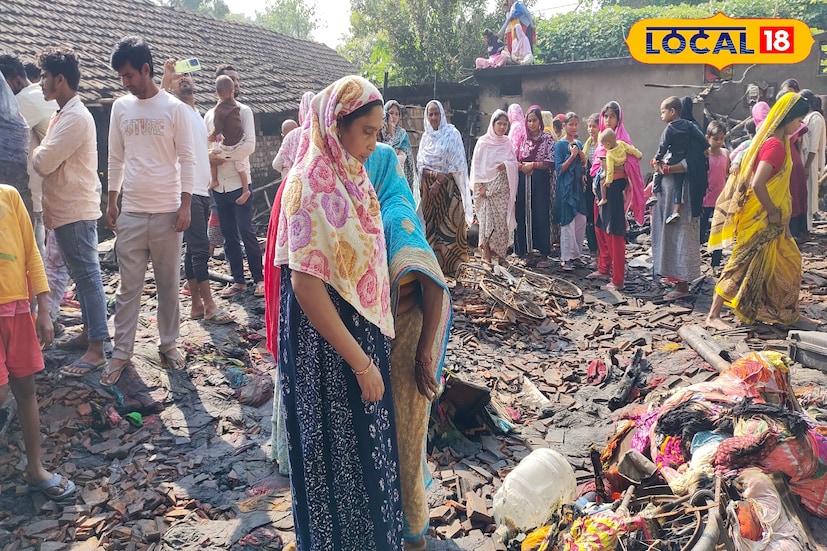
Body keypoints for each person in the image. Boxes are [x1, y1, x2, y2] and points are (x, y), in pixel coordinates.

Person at [272, 75, 403, 550]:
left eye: (377, 132)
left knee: (367, 453)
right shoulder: (308, 183)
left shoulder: (354, 176)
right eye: (367, 131)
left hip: (356, 339)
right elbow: (306, 286)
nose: (374, 142)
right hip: (326, 347)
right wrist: (362, 362)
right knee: (337, 459)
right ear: (337, 125)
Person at [365, 142, 452, 551]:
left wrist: (423, 355)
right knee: (394, 438)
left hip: (408, 341)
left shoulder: (396, 214)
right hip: (391, 337)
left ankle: (413, 534)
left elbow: (431, 281)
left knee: (405, 440)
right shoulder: (377, 211)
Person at [103, 36, 195, 386]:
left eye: (129, 75)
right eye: (121, 77)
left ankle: (168, 345)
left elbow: (187, 158)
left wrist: (185, 204)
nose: (125, 82)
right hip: (131, 212)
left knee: (169, 284)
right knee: (128, 289)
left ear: (146, 69)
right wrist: (112, 200)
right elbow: (115, 156)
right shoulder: (120, 108)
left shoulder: (174, 108)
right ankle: (121, 354)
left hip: (169, 213)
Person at [30, 47, 110, 377]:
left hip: (74, 209)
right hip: (66, 208)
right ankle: (89, 334)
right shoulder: (62, 115)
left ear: (60, 79)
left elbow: (44, 162)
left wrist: (35, 152)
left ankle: (97, 349)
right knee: (82, 274)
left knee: (88, 276)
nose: (42, 83)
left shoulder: (75, 117)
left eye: (46, 77)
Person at [705, 93, 810, 329]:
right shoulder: (774, 145)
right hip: (762, 218)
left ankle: (786, 314)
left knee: (787, 262)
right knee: (740, 263)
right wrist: (773, 211)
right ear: (787, 118)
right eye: (798, 120)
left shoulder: (777, 141)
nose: (799, 125)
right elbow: (758, 183)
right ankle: (713, 315)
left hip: (772, 221)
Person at [161, 59, 234, 326]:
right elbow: (158, 102)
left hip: (202, 188)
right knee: (201, 248)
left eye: (188, 77)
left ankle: (195, 305)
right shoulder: (174, 109)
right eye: (179, 78)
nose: (184, 79)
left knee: (194, 250)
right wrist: (166, 79)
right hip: (186, 190)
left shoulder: (196, 114)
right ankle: (210, 304)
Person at [205, 64, 264, 298]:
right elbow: (205, 144)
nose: (235, 83)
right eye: (230, 80)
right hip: (219, 186)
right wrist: (210, 156)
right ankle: (238, 280)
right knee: (228, 234)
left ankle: (259, 279)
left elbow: (249, 146)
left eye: (237, 80)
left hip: (240, 184)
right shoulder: (209, 115)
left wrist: (221, 155)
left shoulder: (244, 111)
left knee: (246, 231)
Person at [0, 53, 58, 255]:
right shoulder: (37, 94)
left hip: (35, 195)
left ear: (14, 80)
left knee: (31, 251)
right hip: (45, 193)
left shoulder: (22, 102)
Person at [417, 100, 471, 277]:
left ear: (442, 114)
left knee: (451, 228)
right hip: (429, 190)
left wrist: (440, 181)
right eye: (430, 114)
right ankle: (433, 270)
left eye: (436, 113)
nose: (433, 117)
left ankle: (454, 269)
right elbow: (420, 165)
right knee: (431, 228)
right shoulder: (426, 137)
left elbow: (458, 163)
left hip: (449, 190)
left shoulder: (452, 134)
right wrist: (434, 176)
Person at [650, 96, 709, 225]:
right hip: (674, 186)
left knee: (658, 174)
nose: (662, 116)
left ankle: (654, 194)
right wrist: (707, 146)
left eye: (663, 112)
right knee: (677, 186)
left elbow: (663, 147)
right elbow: (702, 138)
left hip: (688, 188)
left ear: (673, 111)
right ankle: (674, 210)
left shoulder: (670, 129)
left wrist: (660, 162)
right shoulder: (690, 126)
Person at [470, 109, 519, 262]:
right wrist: (481, 187)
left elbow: (513, 163)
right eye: (500, 123)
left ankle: (499, 256)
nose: (502, 127)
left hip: (502, 190)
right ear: (493, 124)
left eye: (505, 124)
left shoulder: (507, 143)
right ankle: (486, 257)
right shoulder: (483, 143)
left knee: (501, 225)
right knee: (485, 224)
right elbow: (477, 166)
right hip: (485, 190)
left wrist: (506, 165)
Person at [591, 101, 646, 226]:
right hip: (601, 187)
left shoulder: (623, 140)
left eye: (612, 116)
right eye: (605, 116)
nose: (608, 120)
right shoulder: (601, 140)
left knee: (614, 226)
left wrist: (613, 167)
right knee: (601, 225)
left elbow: (633, 163)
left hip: (617, 188)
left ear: (618, 119)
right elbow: (595, 166)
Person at [515, 105, 555, 261]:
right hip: (523, 181)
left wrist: (531, 165)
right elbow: (515, 157)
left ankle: (543, 252)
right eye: (529, 120)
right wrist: (521, 166)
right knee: (523, 214)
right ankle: (525, 251)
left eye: (534, 120)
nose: (531, 124)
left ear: (540, 121)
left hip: (540, 182)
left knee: (540, 213)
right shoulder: (522, 138)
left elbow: (550, 161)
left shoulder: (547, 138)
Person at [208, 75, 250, 206]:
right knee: (241, 168)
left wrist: (212, 136)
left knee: (213, 156)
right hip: (239, 142)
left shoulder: (218, 111)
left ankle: (214, 179)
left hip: (227, 147)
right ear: (232, 92)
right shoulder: (236, 107)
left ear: (216, 94)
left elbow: (218, 129)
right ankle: (246, 190)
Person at [554, 112, 588, 271]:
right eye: (570, 124)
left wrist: (583, 160)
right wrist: (572, 156)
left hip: (577, 187)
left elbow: (582, 167)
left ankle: (576, 255)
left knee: (581, 220)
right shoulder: (560, 145)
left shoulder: (579, 143)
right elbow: (559, 169)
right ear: (564, 126)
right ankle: (566, 258)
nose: (573, 127)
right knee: (568, 221)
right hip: (566, 188)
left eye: (576, 124)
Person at [700, 120, 729, 271]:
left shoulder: (725, 154)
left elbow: (727, 174)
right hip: (706, 200)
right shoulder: (704, 156)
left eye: (722, 138)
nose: (719, 142)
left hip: (721, 200)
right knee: (700, 231)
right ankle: (694, 262)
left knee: (718, 232)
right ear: (707, 138)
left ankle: (715, 264)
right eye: (715, 138)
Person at [382, 100, 419, 200]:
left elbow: (403, 156)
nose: (393, 116)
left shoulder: (402, 134)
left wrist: (392, 155)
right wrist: (394, 151)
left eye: (397, 114)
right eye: (391, 113)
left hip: (398, 176)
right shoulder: (379, 132)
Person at [596, 128, 641, 207]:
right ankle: (623, 193)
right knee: (623, 185)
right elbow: (631, 149)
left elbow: (610, 169)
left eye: (603, 145)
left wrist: (608, 181)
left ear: (608, 144)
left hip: (615, 174)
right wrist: (639, 154)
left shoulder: (609, 154)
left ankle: (603, 198)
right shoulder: (621, 143)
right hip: (623, 173)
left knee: (602, 181)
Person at [800, 89, 825, 231]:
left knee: (809, 195)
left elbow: (813, 147)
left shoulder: (815, 119)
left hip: (810, 162)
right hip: (805, 161)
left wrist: (807, 167)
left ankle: (807, 228)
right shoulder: (808, 117)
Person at [582, 113, 600, 254]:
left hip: (600, 181)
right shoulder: (587, 144)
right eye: (589, 126)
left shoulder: (603, 143)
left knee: (599, 216)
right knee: (589, 216)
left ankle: (602, 252)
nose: (591, 129)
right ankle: (594, 251)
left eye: (594, 126)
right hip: (589, 182)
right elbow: (585, 163)